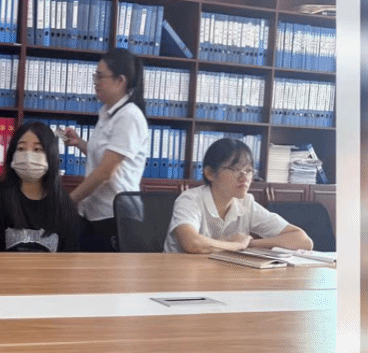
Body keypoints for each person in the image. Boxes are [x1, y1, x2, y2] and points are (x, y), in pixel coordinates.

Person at [164, 137, 313, 253]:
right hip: (180, 274)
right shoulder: (190, 199)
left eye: (248, 170)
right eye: (235, 169)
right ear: (210, 173)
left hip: (219, 274)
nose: (245, 177)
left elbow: (303, 241)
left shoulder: (246, 203)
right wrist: (235, 245)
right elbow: (192, 243)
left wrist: (249, 243)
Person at [64, 48, 149, 251]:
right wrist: (80, 143)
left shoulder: (129, 116)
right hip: (94, 213)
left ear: (120, 81)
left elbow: (105, 172)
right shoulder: (107, 113)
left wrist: (69, 200)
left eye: (100, 76)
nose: (96, 82)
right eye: (95, 76)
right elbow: (104, 157)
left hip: (115, 216)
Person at [0, 120, 80, 252]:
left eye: (37, 149)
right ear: (12, 155)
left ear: (51, 156)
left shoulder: (65, 205)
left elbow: (69, 260)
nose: (28, 155)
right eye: (21, 148)